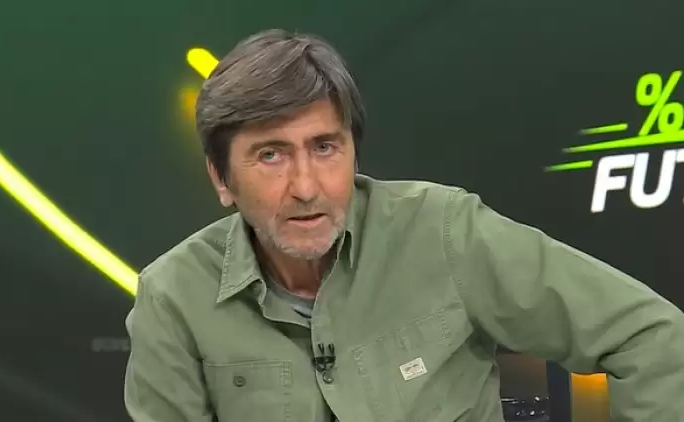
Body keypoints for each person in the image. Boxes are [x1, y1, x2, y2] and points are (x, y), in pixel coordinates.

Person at [123, 29, 684, 422]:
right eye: (270, 155)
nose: (306, 186)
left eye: (325, 147)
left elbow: (653, 338)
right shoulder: (173, 298)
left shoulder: (445, 232)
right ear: (221, 179)